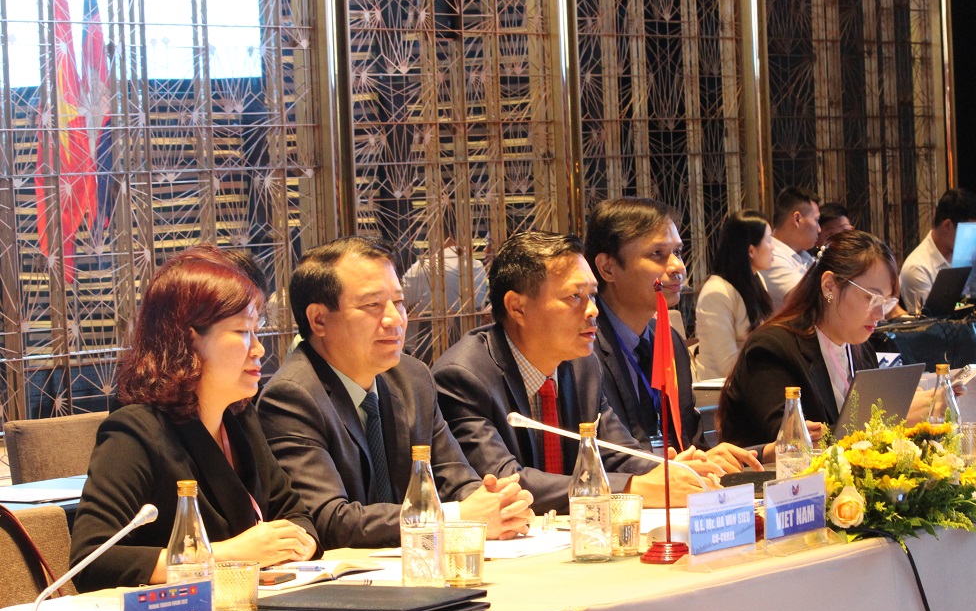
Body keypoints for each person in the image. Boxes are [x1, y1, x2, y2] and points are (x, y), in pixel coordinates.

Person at [257, 237, 534, 549]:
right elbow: (328, 520)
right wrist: (455, 515)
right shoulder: (291, 397)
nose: (395, 319)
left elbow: (456, 480)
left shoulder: (412, 378)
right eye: (372, 305)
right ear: (319, 319)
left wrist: (498, 505)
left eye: (399, 302)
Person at [70, 246, 319, 592]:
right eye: (242, 332)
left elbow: (295, 513)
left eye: (257, 330)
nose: (258, 349)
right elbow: (93, 559)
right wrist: (225, 555)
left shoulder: (239, 416)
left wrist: (300, 542)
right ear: (189, 340)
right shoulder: (136, 432)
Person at [433, 231, 724, 514]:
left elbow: (617, 453)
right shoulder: (464, 377)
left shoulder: (583, 365)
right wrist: (634, 487)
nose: (593, 310)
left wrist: (675, 471)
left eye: (592, 295)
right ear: (517, 308)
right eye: (575, 296)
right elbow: (505, 482)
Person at [584, 197, 763, 472]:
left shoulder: (669, 340)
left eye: (677, 252)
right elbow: (605, 459)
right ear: (608, 268)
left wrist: (763, 453)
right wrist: (674, 469)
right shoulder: (585, 348)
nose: (678, 267)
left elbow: (691, 447)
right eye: (657, 254)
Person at [719, 230, 933, 446]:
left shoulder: (861, 349)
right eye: (871, 298)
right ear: (829, 286)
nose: (881, 314)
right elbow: (791, 445)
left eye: (887, 302)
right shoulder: (772, 348)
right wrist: (890, 421)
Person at [694, 209, 776, 380]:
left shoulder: (757, 279)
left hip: (753, 379)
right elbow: (728, 365)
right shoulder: (716, 292)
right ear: (751, 250)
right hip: (721, 387)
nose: (773, 247)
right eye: (769, 240)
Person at [402, 233, 489, 364]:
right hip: (469, 352)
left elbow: (399, 300)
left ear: (435, 236)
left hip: (427, 355)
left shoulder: (424, 268)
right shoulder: (477, 267)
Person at [899, 187, 976, 312]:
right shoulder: (918, 268)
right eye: (969, 231)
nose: (972, 239)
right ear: (947, 226)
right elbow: (929, 320)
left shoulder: (962, 256)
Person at [762, 186, 821, 309]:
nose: (819, 229)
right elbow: (810, 301)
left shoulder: (804, 255)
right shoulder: (772, 257)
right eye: (816, 220)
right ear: (797, 219)